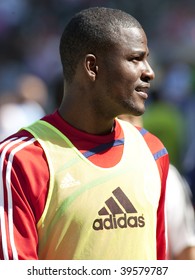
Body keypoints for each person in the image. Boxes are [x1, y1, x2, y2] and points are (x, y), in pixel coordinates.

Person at [0, 7, 169, 260]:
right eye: (135, 59)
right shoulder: (20, 160)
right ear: (92, 66)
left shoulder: (152, 150)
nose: (149, 71)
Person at [119, 114, 195, 260]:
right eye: (121, 119)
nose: (129, 127)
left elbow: (186, 247)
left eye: (133, 118)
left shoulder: (168, 175)